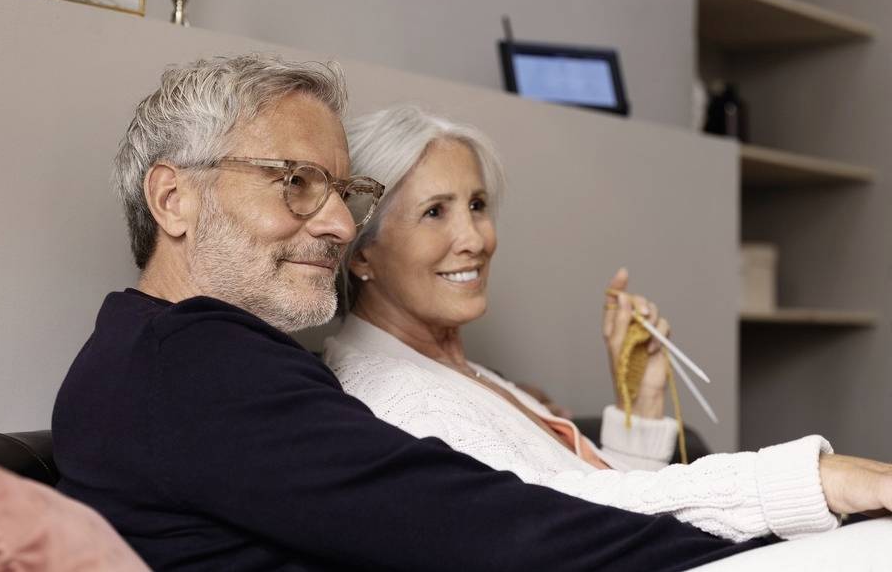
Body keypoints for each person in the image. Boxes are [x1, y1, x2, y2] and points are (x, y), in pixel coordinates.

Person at [53, 55, 775, 571]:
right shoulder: (188, 362)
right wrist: (783, 525)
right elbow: (481, 525)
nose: (340, 222)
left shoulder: (169, 356)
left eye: (342, 189)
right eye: (296, 182)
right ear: (173, 199)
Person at [323, 105, 892, 545]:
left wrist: (640, 403)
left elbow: (604, 501)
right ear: (362, 255)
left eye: (477, 204)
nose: (474, 238)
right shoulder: (390, 397)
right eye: (434, 212)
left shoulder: (457, 368)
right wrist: (810, 479)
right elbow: (564, 518)